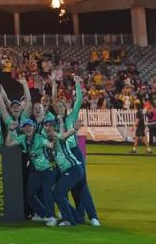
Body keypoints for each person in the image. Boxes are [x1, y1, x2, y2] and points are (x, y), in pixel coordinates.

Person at [53, 75, 101, 226]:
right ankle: (75, 214)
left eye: (60, 106)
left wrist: (78, 84)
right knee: (66, 185)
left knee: (81, 185)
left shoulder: (71, 116)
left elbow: (79, 100)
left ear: (65, 107)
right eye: (56, 107)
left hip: (74, 152)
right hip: (63, 156)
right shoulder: (55, 122)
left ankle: (93, 216)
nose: (58, 109)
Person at [6, 119, 55, 223]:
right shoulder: (22, 138)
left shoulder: (39, 138)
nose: (27, 128)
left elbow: (51, 145)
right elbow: (8, 144)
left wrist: (54, 135)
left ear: (34, 128)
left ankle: (52, 217)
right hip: (37, 170)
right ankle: (43, 214)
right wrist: (10, 130)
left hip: (48, 169)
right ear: (22, 129)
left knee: (46, 191)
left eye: (30, 126)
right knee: (30, 193)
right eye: (25, 126)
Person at [46, 118, 82, 227]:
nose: (48, 128)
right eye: (46, 126)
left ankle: (69, 220)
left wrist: (74, 129)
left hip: (73, 169)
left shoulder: (58, 137)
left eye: (50, 126)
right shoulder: (51, 141)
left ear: (54, 128)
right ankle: (77, 218)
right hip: (71, 170)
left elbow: (64, 136)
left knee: (57, 193)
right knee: (58, 193)